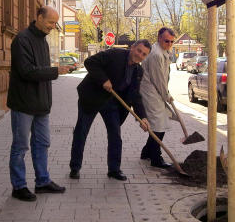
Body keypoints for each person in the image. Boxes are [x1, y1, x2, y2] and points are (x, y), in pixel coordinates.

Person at [7, 6, 69, 202]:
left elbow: (40, 71)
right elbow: (27, 71)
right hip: (23, 104)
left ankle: (42, 182)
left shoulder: (43, 41)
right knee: (20, 146)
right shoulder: (21, 40)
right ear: (39, 18)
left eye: (54, 23)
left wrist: (48, 99)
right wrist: (55, 71)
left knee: (42, 143)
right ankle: (19, 186)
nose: (53, 26)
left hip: (41, 104)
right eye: (50, 22)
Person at [69, 40, 151, 181]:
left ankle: (114, 170)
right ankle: (75, 167)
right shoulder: (115, 54)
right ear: (132, 48)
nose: (140, 55)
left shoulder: (138, 71)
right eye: (139, 51)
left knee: (115, 135)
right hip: (92, 97)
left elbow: (135, 95)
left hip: (112, 103)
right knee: (81, 131)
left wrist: (142, 117)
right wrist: (103, 80)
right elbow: (90, 62)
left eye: (144, 54)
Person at [140, 27, 176, 168]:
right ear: (159, 38)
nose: (169, 44)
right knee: (158, 125)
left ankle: (146, 152)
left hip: (156, 91)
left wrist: (165, 94)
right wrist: (167, 95)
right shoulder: (156, 55)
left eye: (172, 42)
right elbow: (159, 79)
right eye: (166, 41)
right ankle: (156, 158)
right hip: (151, 91)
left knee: (158, 123)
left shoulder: (163, 51)